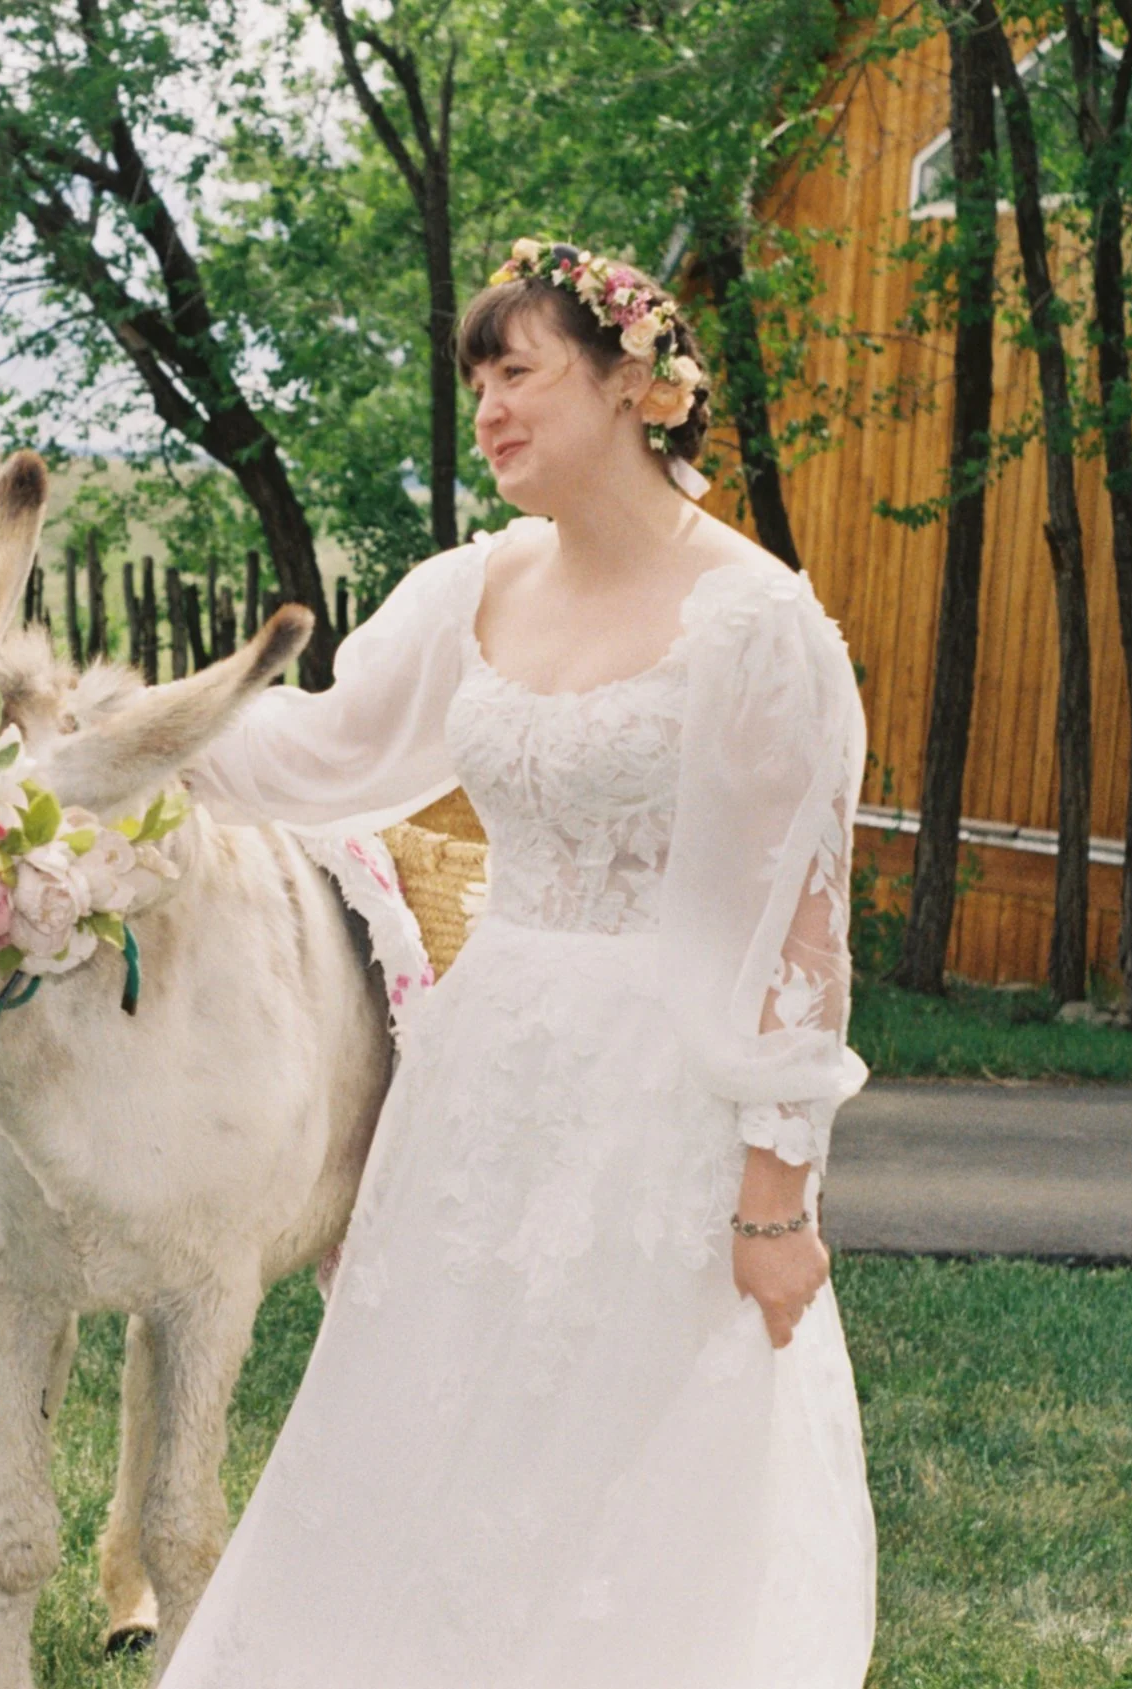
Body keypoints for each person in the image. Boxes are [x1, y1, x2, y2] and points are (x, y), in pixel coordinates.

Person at [160, 241, 877, 1685]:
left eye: (520, 371)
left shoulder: (757, 626)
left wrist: (776, 1191)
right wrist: (113, 736)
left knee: (625, 1443)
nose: (487, 406)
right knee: (431, 1410)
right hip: (482, 1074)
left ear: (633, 389)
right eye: (476, 378)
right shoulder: (471, 588)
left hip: (662, 1098)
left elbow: (801, 921)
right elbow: (325, 749)